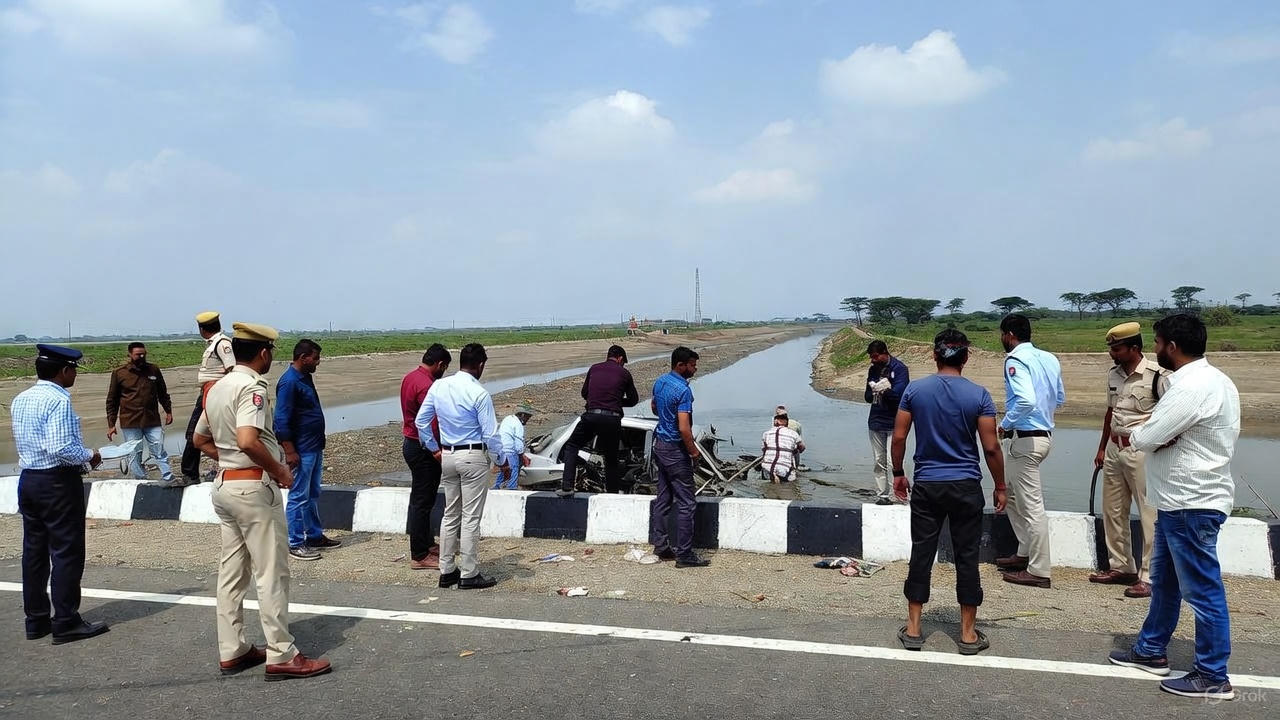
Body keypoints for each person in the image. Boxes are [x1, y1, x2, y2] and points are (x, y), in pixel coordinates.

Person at [1108, 314, 1240, 701]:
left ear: (1172, 347)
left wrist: (1142, 433)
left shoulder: (1192, 386)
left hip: (1191, 502)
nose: (1155, 349)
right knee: (1164, 582)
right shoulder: (1209, 380)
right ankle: (1150, 650)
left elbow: (1146, 436)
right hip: (1175, 502)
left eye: (1158, 342)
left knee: (1202, 590)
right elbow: (1156, 435)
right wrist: (1154, 434)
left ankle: (1213, 673)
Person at [191, 322, 331, 681]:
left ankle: (233, 648)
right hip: (253, 488)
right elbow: (248, 438)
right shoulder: (252, 387)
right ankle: (282, 653)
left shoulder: (217, 387)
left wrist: (227, 461)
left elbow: (199, 438)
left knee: (232, 573)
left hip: (225, 486)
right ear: (264, 352)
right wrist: (279, 472)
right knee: (271, 572)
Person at [891, 330, 1005, 655]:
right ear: (966, 357)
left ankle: (914, 629)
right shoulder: (979, 395)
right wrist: (1000, 485)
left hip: (927, 484)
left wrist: (899, 473)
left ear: (934, 355)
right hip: (966, 485)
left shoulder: (914, 391)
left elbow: (898, 438)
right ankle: (968, 635)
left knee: (922, 553)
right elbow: (991, 447)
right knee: (967, 556)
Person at [11, 344, 108, 644]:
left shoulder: (20, 399)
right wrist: (89, 455)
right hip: (56, 482)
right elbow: (61, 448)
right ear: (63, 371)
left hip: (29, 479)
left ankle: (36, 620)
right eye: (73, 369)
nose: (75, 374)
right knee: (66, 551)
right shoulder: (58, 401)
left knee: (34, 552)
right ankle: (66, 620)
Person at [1090, 322, 1169, 599]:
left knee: (1149, 514)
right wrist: (1101, 449)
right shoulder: (1113, 374)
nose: (1113, 353)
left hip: (1142, 451)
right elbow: (1110, 413)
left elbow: (1169, 417)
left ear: (1135, 348)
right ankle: (1121, 566)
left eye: (1118, 348)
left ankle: (1149, 576)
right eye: (1111, 348)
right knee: (1113, 510)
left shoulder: (1157, 376)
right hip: (1115, 447)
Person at [416, 343, 503, 590]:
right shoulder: (479, 393)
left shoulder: (440, 386)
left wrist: (434, 448)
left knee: (450, 513)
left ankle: (447, 570)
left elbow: (422, 421)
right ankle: (469, 572)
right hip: (473, 456)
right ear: (480, 365)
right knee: (471, 517)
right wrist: (502, 461)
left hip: (448, 455)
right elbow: (491, 435)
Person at [996, 314, 1065, 589]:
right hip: (1041, 437)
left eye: (1002, 334)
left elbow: (1025, 400)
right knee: (1011, 494)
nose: (1001, 340)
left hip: (1025, 439)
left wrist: (1005, 424)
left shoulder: (1015, 360)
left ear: (1010, 334)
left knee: (1033, 506)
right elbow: (1060, 398)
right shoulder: (1049, 358)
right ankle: (1024, 551)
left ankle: (1039, 570)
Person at [274, 339, 337, 561]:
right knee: (298, 496)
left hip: (314, 446)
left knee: (312, 494)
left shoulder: (304, 378)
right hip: (301, 449)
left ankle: (314, 535)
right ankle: (295, 542)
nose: (318, 363)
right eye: (315, 358)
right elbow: (280, 420)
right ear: (303, 358)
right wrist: (290, 451)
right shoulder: (290, 382)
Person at [648, 346, 709, 568]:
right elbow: (684, 428)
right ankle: (684, 554)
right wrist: (694, 452)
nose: (695, 369)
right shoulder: (683, 391)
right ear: (680, 365)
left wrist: (666, 417)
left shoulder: (661, 382)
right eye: (692, 365)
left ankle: (661, 545)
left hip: (660, 445)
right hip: (675, 448)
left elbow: (654, 407)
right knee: (686, 502)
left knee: (663, 498)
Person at [557, 345, 639, 497]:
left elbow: (584, 393)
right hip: (612, 419)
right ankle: (612, 494)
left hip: (592, 415)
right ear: (620, 358)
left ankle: (567, 486)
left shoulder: (594, 368)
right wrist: (615, 402)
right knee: (611, 458)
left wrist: (599, 400)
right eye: (623, 362)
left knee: (572, 446)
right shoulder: (625, 373)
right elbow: (634, 400)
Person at [401, 343, 451, 570]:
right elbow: (429, 422)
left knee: (423, 499)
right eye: (445, 368)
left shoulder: (410, 377)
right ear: (440, 364)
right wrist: (436, 450)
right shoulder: (426, 386)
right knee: (422, 501)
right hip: (422, 448)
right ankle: (419, 555)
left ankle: (427, 543)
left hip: (412, 444)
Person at [105, 342, 176, 485]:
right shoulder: (120, 373)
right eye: (138, 354)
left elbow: (162, 393)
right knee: (135, 453)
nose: (141, 356)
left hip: (152, 419)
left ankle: (168, 477)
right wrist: (111, 425)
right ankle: (141, 480)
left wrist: (168, 411)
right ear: (130, 354)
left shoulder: (153, 370)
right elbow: (112, 400)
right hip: (130, 421)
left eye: (143, 354)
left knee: (159, 449)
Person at [181, 311, 235, 484]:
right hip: (208, 392)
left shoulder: (222, 343)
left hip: (214, 393)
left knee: (195, 434)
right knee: (198, 435)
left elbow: (231, 369)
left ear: (202, 329)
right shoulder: (215, 343)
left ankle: (190, 474)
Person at [864, 341, 910, 505]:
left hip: (895, 421)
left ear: (885, 353)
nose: (873, 360)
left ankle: (899, 495)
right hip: (876, 420)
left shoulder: (899, 369)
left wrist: (885, 389)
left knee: (895, 460)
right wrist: (874, 389)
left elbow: (900, 396)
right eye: (871, 357)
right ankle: (883, 495)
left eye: (875, 356)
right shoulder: (873, 370)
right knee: (878, 460)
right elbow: (868, 397)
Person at [494, 404, 535, 490]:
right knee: (514, 468)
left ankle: (497, 486)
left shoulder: (508, 419)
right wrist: (522, 455)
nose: (527, 420)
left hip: (501, 449)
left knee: (505, 469)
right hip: (510, 449)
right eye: (527, 417)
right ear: (522, 415)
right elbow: (518, 441)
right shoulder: (518, 423)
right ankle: (512, 487)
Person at [761, 410, 804, 483]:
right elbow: (802, 448)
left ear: (775, 422)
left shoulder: (766, 433)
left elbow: (764, 450)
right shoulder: (794, 433)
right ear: (787, 423)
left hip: (767, 467)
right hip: (785, 468)